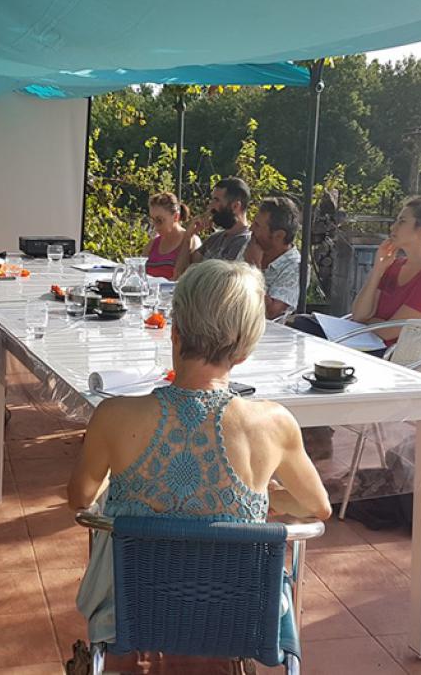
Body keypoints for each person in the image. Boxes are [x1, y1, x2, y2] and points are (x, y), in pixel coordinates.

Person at [68, 259, 332, 643]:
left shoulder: (113, 416)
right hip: (242, 615)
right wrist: (269, 500)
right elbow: (318, 507)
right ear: (244, 352)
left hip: (129, 611)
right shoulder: (274, 424)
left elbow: (79, 498)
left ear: (175, 334)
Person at [292, 195, 421, 344]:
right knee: (298, 323)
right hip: (362, 342)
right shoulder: (395, 266)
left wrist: (368, 322)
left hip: (389, 357)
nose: (393, 227)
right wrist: (378, 269)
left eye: (402, 221)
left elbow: (389, 332)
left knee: (305, 335)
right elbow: (360, 315)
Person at [173, 177, 253, 278]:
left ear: (235, 206)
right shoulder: (214, 239)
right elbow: (180, 274)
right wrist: (188, 237)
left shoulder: (247, 244)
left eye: (216, 200)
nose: (210, 206)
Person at [246, 196, 301, 320]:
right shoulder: (253, 245)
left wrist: (253, 267)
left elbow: (270, 313)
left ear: (279, 235)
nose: (250, 229)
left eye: (257, 225)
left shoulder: (296, 267)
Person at [143, 192, 200, 280]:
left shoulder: (191, 240)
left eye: (159, 220)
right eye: (152, 220)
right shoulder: (152, 244)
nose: (155, 225)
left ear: (176, 217)